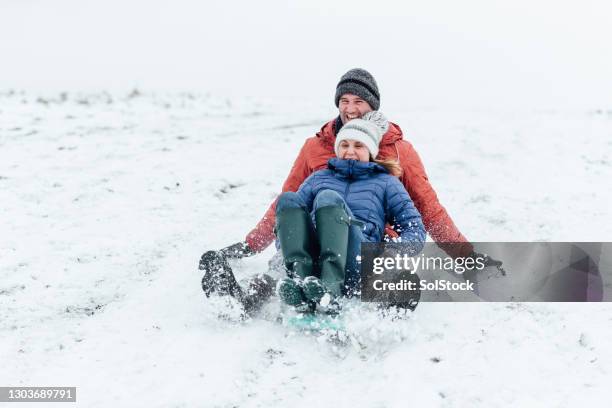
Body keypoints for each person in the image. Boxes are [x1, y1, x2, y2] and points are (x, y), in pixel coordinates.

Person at [200, 68, 502, 313]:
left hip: (365, 243)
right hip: (317, 237)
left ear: (373, 105)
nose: (351, 108)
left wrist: (465, 257)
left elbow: (427, 209)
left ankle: (386, 298)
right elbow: (288, 202)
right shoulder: (315, 148)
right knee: (281, 268)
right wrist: (251, 245)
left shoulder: (398, 151)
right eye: (344, 101)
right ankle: (239, 301)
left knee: (376, 274)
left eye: (359, 101)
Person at [273, 112, 425, 313]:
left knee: (328, 198)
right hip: (315, 259)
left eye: (358, 146)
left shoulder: (386, 182)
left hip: (357, 262)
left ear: (370, 150)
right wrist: (282, 247)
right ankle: (301, 283)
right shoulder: (318, 178)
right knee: (287, 199)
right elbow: (291, 220)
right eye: (344, 145)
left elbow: (414, 227)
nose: (350, 151)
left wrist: (392, 254)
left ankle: (330, 288)